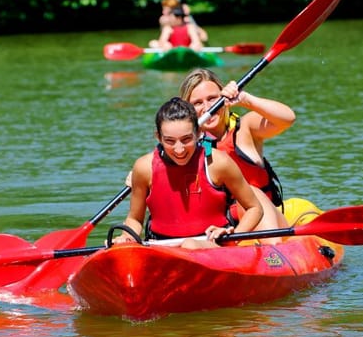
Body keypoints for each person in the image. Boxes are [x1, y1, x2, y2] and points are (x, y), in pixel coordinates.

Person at [112, 97, 263, 249]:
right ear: (158, 137)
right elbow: (135, 219)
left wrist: (233, 236)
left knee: (190, 245)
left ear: (198, 133)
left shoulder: (218, 163)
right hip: (162, 248)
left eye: (186, 139)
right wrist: (127, 237)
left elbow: (255, 208)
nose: (179, 149)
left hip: (213, 245)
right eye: (170, 141)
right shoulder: (144, 167)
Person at [179, 68, 295, 231]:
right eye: (197, 103)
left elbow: (288, 118)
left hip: (263, 221)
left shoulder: (245, 129)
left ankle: (272, 252)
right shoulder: (184, 146)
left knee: (250, 193)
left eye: (212, 99)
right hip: (220, 226)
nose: (207, 108)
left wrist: (245, 99)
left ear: (223, 98)